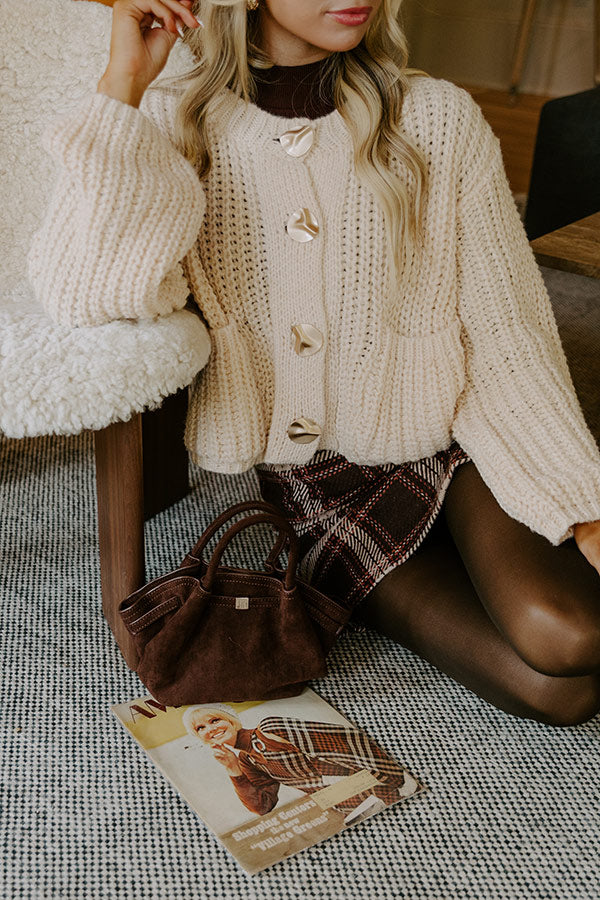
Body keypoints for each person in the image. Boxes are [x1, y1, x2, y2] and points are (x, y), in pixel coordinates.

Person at [28, 0, 600, 725]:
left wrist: (583, 511)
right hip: (315, 483)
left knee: (572, 634)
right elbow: (90, 292)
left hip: (455, 433)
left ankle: (478, 539)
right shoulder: (180, 122)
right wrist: (123, 87)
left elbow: (506, 327)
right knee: (562, 689)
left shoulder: (435, 118)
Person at [182, 703, 418, 817]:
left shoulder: (270, 728)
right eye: (200, 728)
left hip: (384, 787)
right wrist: (233, 770)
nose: (210, 729)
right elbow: (262, 806)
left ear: (230, 719)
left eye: (214, 720)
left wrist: (397, 780)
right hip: (350, 809)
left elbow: (347, 744)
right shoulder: (245, 761)